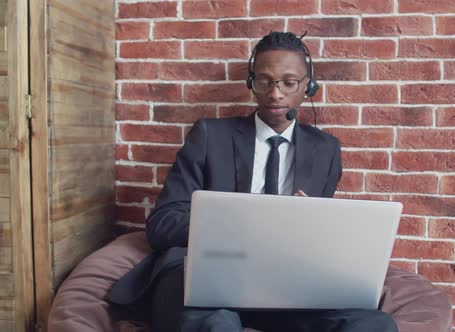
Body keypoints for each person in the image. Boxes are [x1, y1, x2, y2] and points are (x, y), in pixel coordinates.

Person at [108, 31, 397, 332]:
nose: (275, 94)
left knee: (374, 325)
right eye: (264, 81)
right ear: (251, 84)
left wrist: (311, 227)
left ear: (308, 87)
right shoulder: (210, 136)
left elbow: (319, 240)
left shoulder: (326, 149)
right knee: (216, 324)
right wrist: (242, 227)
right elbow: (163, 224)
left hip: (287, 280)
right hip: (211, 275)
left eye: (288, 82)